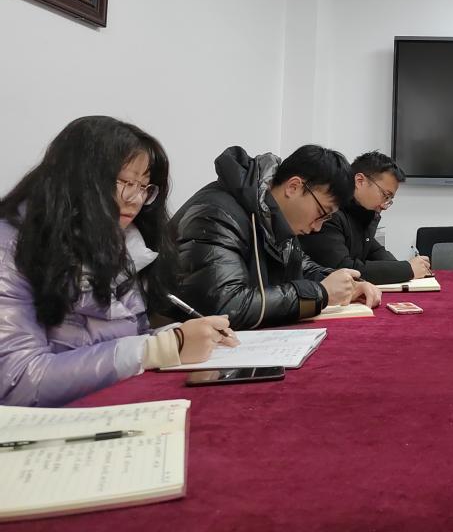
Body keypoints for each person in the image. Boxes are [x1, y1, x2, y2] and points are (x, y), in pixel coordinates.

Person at [0, 116, 238, 407]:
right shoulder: (9, 246)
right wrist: (161, 347)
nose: (136, 199)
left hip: (108, 407)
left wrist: (174, 337)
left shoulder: (120, 241)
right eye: (126, 183)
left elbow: (127, 341)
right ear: (78, 178)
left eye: (145, 187)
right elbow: (17, 380)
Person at [172, 145, 381, 329]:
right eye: (321, 213)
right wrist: (321, 293)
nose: (318, 227)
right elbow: (227, 306)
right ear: (293, 187)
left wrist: (348, 284)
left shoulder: (272, 214)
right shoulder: (216, 215)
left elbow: (299, 265)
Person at [300, 151, 430, 284]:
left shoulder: (362, 214)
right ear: (360, 181)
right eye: (385, 195)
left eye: (389, 199)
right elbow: (342, 269)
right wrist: (407, 269)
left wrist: (407, 267)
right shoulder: (329, 214)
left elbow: (376, 251)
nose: (384, 206)